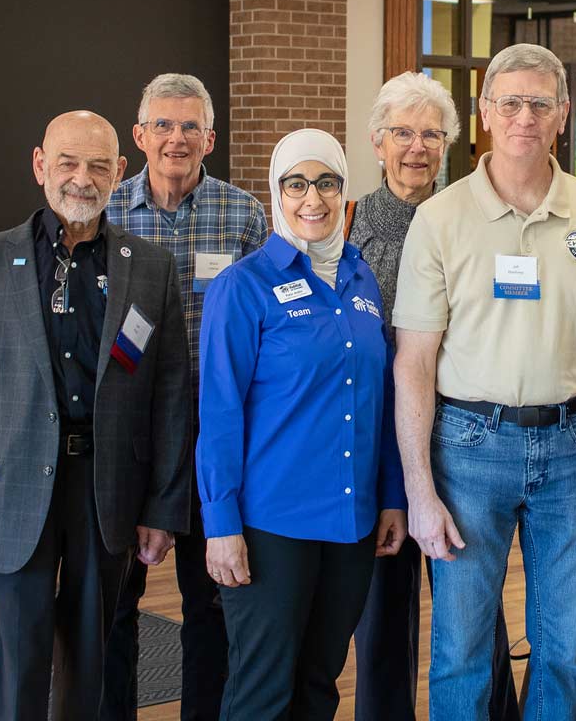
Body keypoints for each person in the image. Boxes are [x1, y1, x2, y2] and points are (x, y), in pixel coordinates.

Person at [393, 43, 576, 720]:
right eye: (510, 102)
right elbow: (414, 360)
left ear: (564, 115)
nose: (524, 117)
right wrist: (420, 491)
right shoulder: (440, 217)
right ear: (484, 113)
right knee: (462, 650)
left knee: (565, 650)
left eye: (540, 103)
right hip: (469, 447)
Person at [0, 110, 190, 719]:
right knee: (15, 672)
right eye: (68, 162)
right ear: (40, 165)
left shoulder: (150, 268)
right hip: (9, 495)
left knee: (90, 671)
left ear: (121, 172)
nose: (82, 178)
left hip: (107, 495)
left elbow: (170, 397)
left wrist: (164, 507)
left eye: (98, 165)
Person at [197, 128, 407, 719]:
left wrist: (392, 498)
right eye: (296, 184)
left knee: (320, 683)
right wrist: (220, 523)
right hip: (271, 525)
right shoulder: (242, 287)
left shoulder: (362, 281)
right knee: (263, 691)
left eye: (326, 183)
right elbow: (217, 413)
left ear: (344, 192)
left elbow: (383, 399)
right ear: (276, 192)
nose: (312, 199)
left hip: (351, 522)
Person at [349, 72, 520, 721]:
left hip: (465, 441)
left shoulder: (474, 218)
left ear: (448, 143)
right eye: (401, 133)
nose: (416, 147)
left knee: (473, 611)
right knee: (383, 617)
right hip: (376, 448)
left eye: (430, 134)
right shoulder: (346, 225)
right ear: (376, 141)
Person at [104, 72, 268, 721]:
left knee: (212, 601)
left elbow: (267, 326)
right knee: (116, 599)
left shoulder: (244, 215)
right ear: (140, 136)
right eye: (163, 125)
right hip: (130, 429)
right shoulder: (108, 212)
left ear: (211, 138)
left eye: (190, 126)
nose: (177, 138)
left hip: (216, 429)